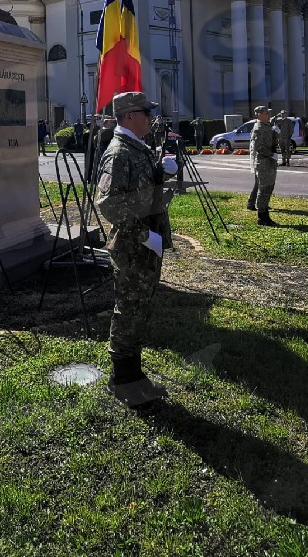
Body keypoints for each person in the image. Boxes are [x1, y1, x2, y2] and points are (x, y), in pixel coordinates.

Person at [94, 91, 177, 408]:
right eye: (145, 112)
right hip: (132, 246)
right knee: (128, 311)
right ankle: (122, 380)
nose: (150, 117)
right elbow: (109, 203)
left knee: (139, 310)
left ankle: (134, 376)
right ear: (129, 116)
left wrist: (162, 173)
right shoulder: (119, 153)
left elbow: (141, 192)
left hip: (145, 244)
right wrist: (144, 235)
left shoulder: (137, 149)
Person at [245, 105, 278, 226]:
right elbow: (259, 147)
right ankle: (262, 216)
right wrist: (271, 154)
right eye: (266, 113)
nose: (268, 115)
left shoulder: (267, 126)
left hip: (269, 161)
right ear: (259, 114)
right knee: (263, 189)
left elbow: (272, 141)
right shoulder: (258, 128)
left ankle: (265, 215)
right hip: (263, 162)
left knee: (269, 187)